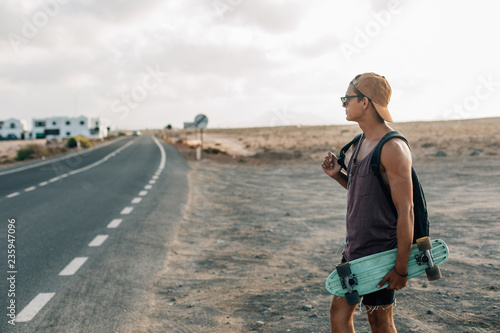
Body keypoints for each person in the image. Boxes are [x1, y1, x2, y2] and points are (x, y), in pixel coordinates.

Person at [321, 73, 414, 333]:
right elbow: (364, 190)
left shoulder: (393, 147)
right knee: (338, 313)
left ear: (365, 103)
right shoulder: (361, 141)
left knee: (379, 321)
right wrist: (337, 175)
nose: (343, 105)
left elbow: (406, 210)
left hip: (381, 254)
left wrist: (401, 269)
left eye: (346, 99)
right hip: (355, 249)